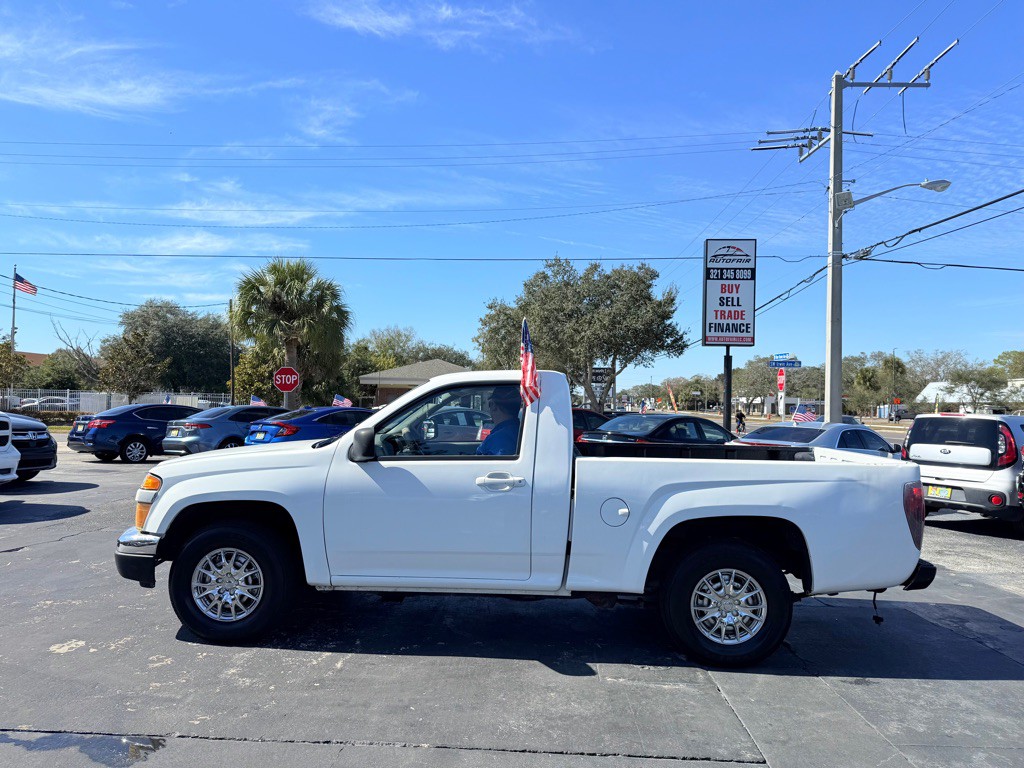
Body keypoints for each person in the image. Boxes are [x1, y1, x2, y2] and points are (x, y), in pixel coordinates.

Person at [477, 386, 522, 456]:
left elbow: (495, 466)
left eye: (489, 404)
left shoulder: (500, 438)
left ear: (493, 405)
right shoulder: (519, 430)